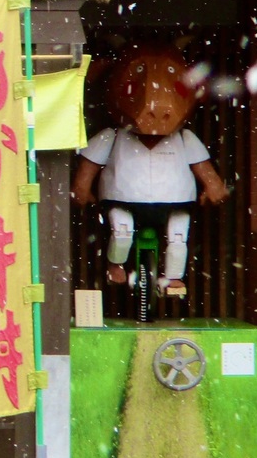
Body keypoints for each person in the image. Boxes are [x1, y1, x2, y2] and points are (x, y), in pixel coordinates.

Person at [70, 46, 228, 296]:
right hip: (123, 198)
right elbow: (90, 163)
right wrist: (81, 187)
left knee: (178, 236)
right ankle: (116, 263)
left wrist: (214, 185)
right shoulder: (113, 136)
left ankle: (174, 277)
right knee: (121, 232)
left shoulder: (184, 138)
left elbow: (202, 166)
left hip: (175, 200)